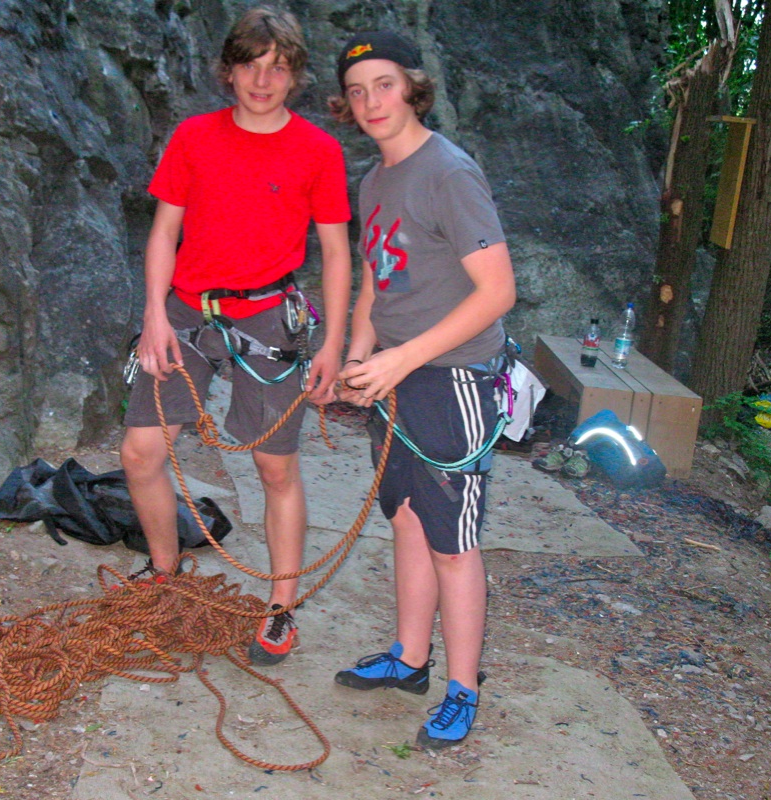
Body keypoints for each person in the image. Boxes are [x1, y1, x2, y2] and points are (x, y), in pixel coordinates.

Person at [120, 6, 351, 667]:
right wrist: (155, 315)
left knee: (275, 466)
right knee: (140, 452)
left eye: (278, 68)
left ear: (295, 76)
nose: (262, 81)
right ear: (229, 71)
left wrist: (332, 344)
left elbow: (337, 252)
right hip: (188, 309)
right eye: (251, 66)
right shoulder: (195, 138)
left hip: (269, 315)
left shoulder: (317, 151)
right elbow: (165, 231)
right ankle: (164, 573)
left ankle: (281, 607)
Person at [328, 31, 516, 747]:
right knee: (406, 516)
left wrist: (401, 360)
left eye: (384, 84)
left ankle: (463, 687)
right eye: (356, 91)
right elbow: (377, 280)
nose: (370, 101)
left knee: (452, 539)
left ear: (412, 87)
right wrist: (358, 359)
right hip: (397, 373)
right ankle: (409, 659)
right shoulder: (375, 179)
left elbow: (497, 291)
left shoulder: (449, 173)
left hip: (453, 376)